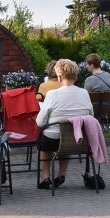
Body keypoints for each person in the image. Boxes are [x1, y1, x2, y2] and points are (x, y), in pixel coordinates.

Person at [35, 59, 94, 189]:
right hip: (77, 140)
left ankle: (45, 176)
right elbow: (91, 117)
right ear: (76, 75)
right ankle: (61, 174)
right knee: (67, 137)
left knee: (45, 142)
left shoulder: (52, 94)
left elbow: (40, 122)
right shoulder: (84, 93)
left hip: (52, 140)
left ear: (59, 76)